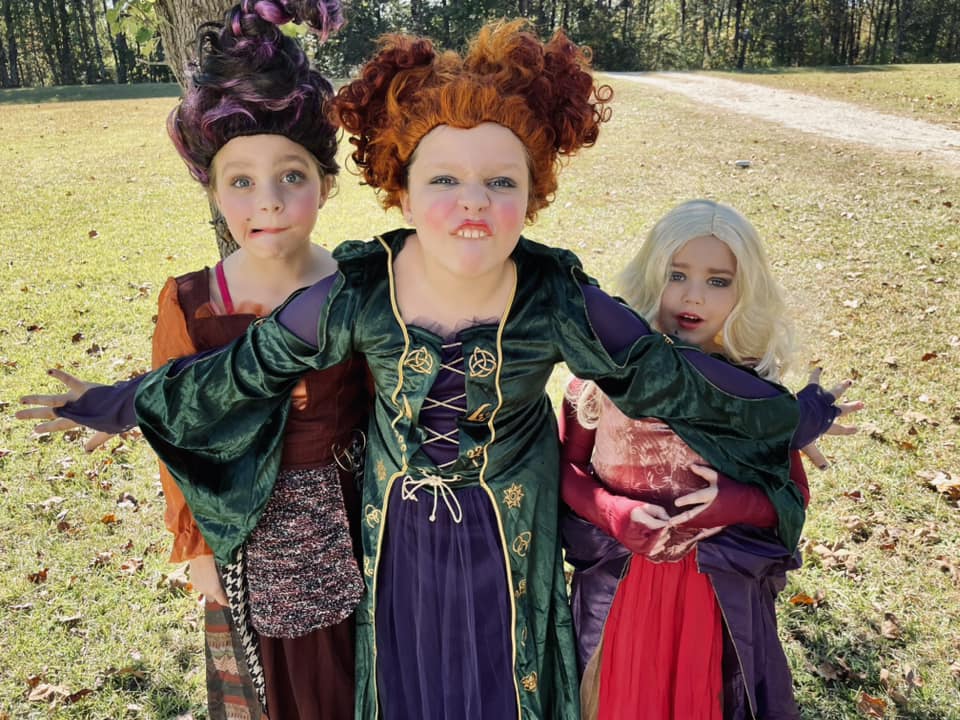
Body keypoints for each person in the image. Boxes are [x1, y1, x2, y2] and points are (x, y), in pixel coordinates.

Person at [20, 22, 844, 720]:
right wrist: (122, 402)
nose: (472, 201)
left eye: (500, 180)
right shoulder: (361, 289)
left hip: (508, 548)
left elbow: (671, 380)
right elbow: (246, 368)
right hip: (401, 547)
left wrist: (793, 416)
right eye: (444, 178)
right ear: (403, 193)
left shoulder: (555, 296)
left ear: (533, 194)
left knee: (502, 686)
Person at [19, 2, 366, 719]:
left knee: (349, 683)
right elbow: (179, 430)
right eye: (240, 182)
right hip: (241, 542)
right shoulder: (192, 304)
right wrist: (198, 548)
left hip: (352, 529)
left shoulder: (358, 291)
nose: (268, 202)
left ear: (326, 184)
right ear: (211, 188)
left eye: (292, 176)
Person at [559, 199, 861, 719]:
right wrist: (613, 512)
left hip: (712, 599)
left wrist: (734, 503)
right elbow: (566, 472)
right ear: (651, 274)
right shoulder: (600, 382)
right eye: (677, 274)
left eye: (718, 281)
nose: (693, 295)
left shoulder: (752, 399)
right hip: (622, 595)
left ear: (745, 292)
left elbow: (790, 499)